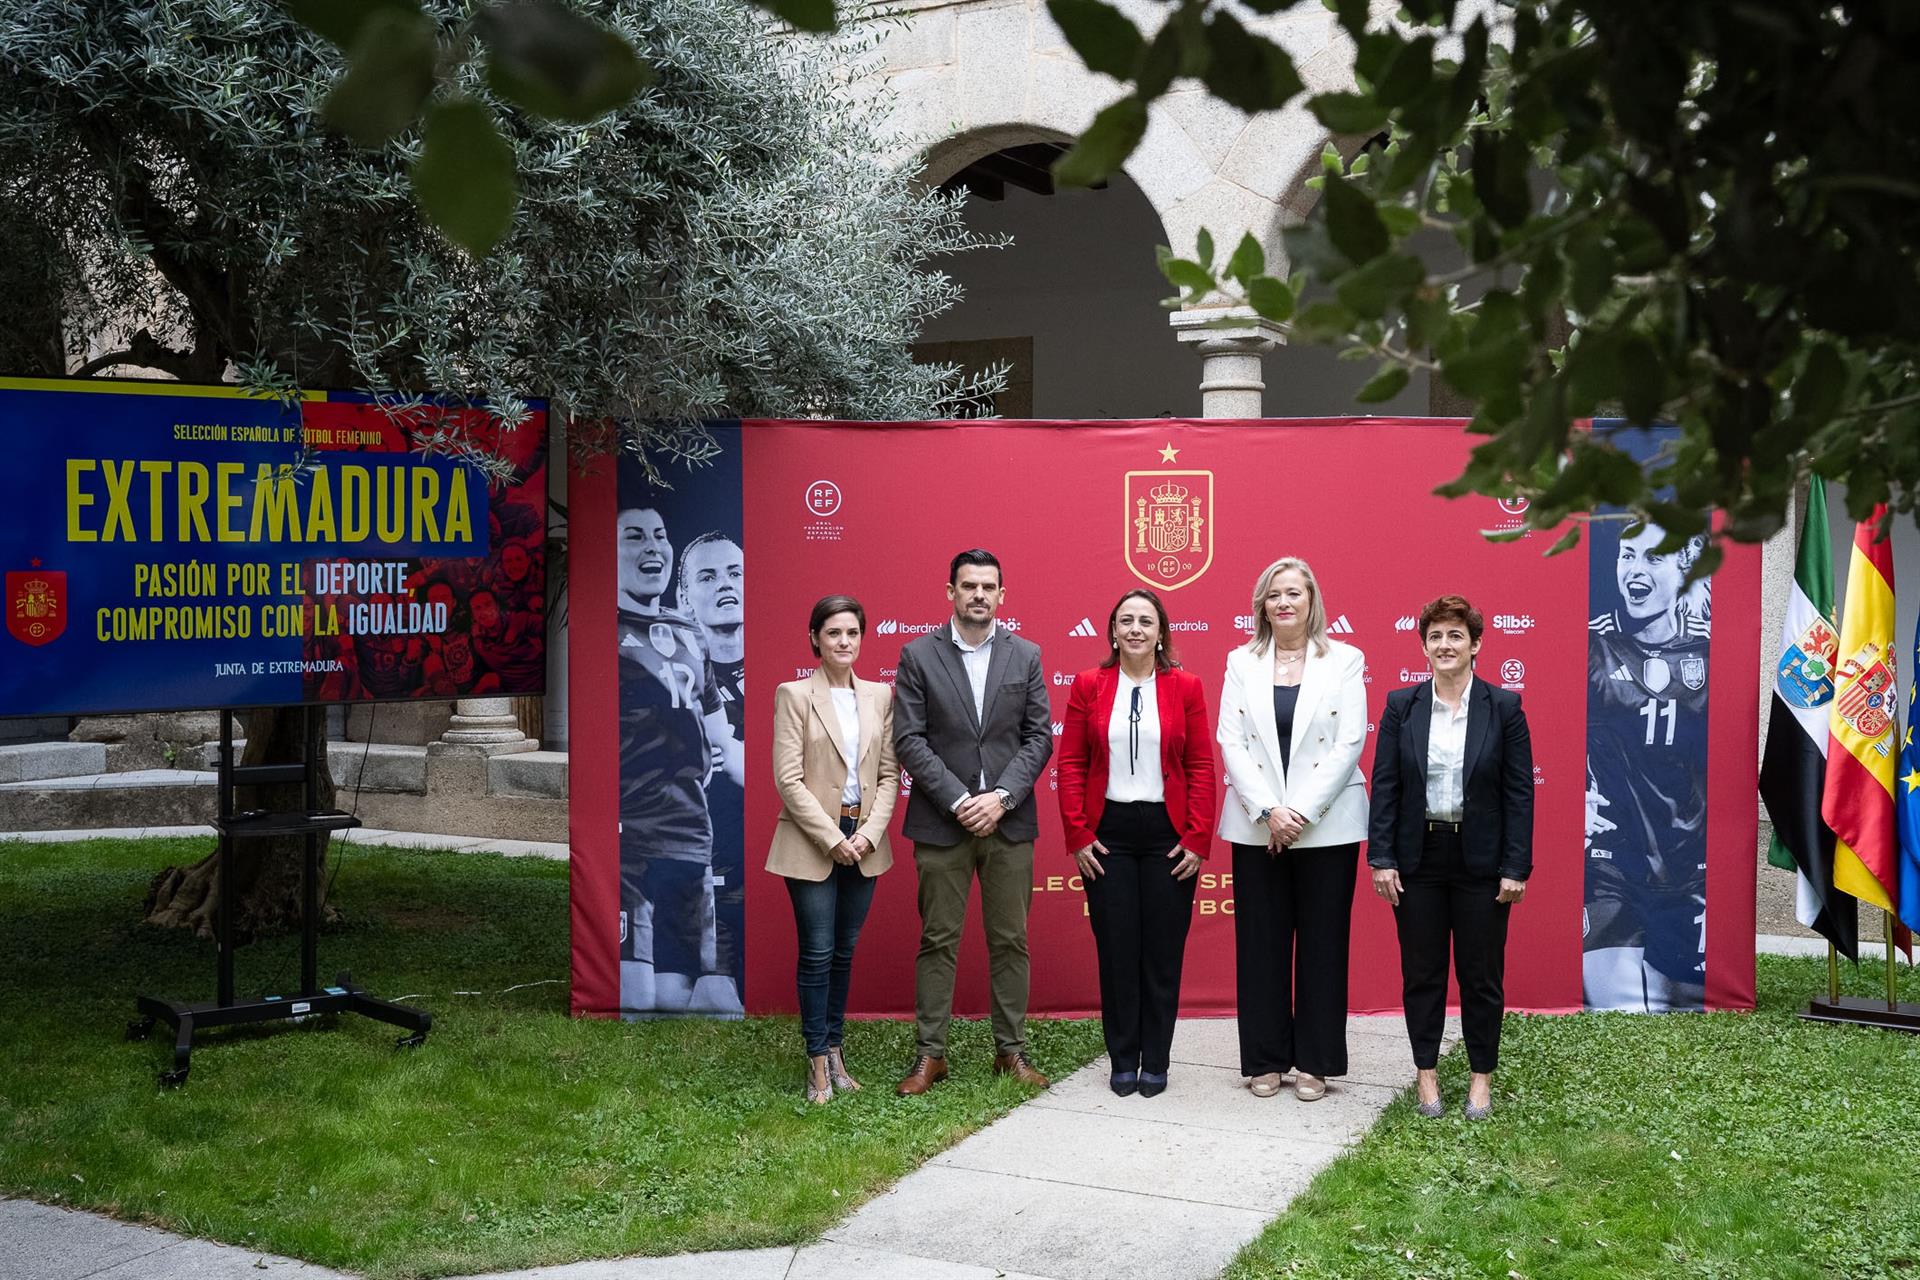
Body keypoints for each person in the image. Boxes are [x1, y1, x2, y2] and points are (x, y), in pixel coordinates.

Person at [891, 548, 1055, 1094]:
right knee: (938, 939)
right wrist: (962, 800)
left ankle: (1010, 1052)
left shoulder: (1025, 655)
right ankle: (929, 1056)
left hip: (1008, 823)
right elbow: (909, 739)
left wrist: (1002, 796)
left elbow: (1038, 738)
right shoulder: (917, 656)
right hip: (944, 823)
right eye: (969, 586)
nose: (979, 595)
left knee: (1011, 939)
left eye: (989, 586)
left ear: (1001, 595)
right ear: (951, 592)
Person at [1368, 595, 1533, 1120]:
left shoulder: (1504, 708)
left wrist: (1515, 866)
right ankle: (1426, 1074)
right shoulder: (1402, 706)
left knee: (1481, 974)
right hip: (1418, 860)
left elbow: (1519, 794)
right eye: (1436, 636)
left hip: (1480, 861)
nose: (1445, 645)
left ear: (1476, 645)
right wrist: (1382, 858)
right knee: (1422, 971)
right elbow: (1386, 786)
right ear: (1424, 646)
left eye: (1455, 636)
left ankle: (1481, 1078)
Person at [1217, 557, 1369, 1101]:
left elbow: (1350, 742)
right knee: (1261, 945)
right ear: (1262, 605)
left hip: (1327, 825)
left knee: (1324, 946)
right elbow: (1231, 741)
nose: (1284, 602)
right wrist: (1269, 813)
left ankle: (1315, 1062)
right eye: (1274, 594)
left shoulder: (1346, 660)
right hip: (1258, 826)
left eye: (1294, 594)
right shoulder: (1241, 661)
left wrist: (1298, 812)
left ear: (1312, 603)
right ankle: (1263, 1059)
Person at [1057, 589, 1215, 1097]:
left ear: (1161, 632)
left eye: (1146, 621)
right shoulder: (1088, 685)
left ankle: (1157, 1060)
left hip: (1169, 835)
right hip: (1109, 835)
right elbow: (1072, 763)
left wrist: (1196, 837)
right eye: (1126, 620)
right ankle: (1123, 1057)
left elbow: (1201, 766)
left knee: (1162, 953)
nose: (1136, 629)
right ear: (1112, 632)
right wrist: (1079, 834)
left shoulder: (1186, 686)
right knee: (1118, 949)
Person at [614, 501, 744, 1016]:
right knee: (639, 1000)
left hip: (691, 836)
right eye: (635, 537)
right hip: (631, 835)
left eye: (659, 535)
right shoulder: (605, 630)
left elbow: (724, 742)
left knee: (685, 996)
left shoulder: (688, 636)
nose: (652, 547)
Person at [767, 595, 898, 1103]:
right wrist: (833, 838)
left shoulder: (880, 696)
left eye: (852, 633)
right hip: (812, 842)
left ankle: (837, 1052)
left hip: (864, 843)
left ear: (862, 639)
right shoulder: (794, 695)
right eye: (833, 633)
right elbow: (788, 779)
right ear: (815, 639)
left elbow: (890, 775)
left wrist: (866, 834)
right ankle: (816, 1060)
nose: (844, 642)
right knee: (818, 952)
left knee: (844, 952)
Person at [1584, 522, 1711, 1011]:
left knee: (1674, 1007)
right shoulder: (1593, 645)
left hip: (1686, 868)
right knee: (1616, 1010)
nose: (1634, 570)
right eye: (1626, 555)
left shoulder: (1707, 649)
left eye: (1653, 557)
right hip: (1610, 863)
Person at [680, 532, 748, 1001]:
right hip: (702, 875)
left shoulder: (786, 667)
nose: (725, 584)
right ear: (684, 598)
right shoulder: (674, 675)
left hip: (773, 862)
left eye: (735, 572)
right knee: (710, 999)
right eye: (708, 576)